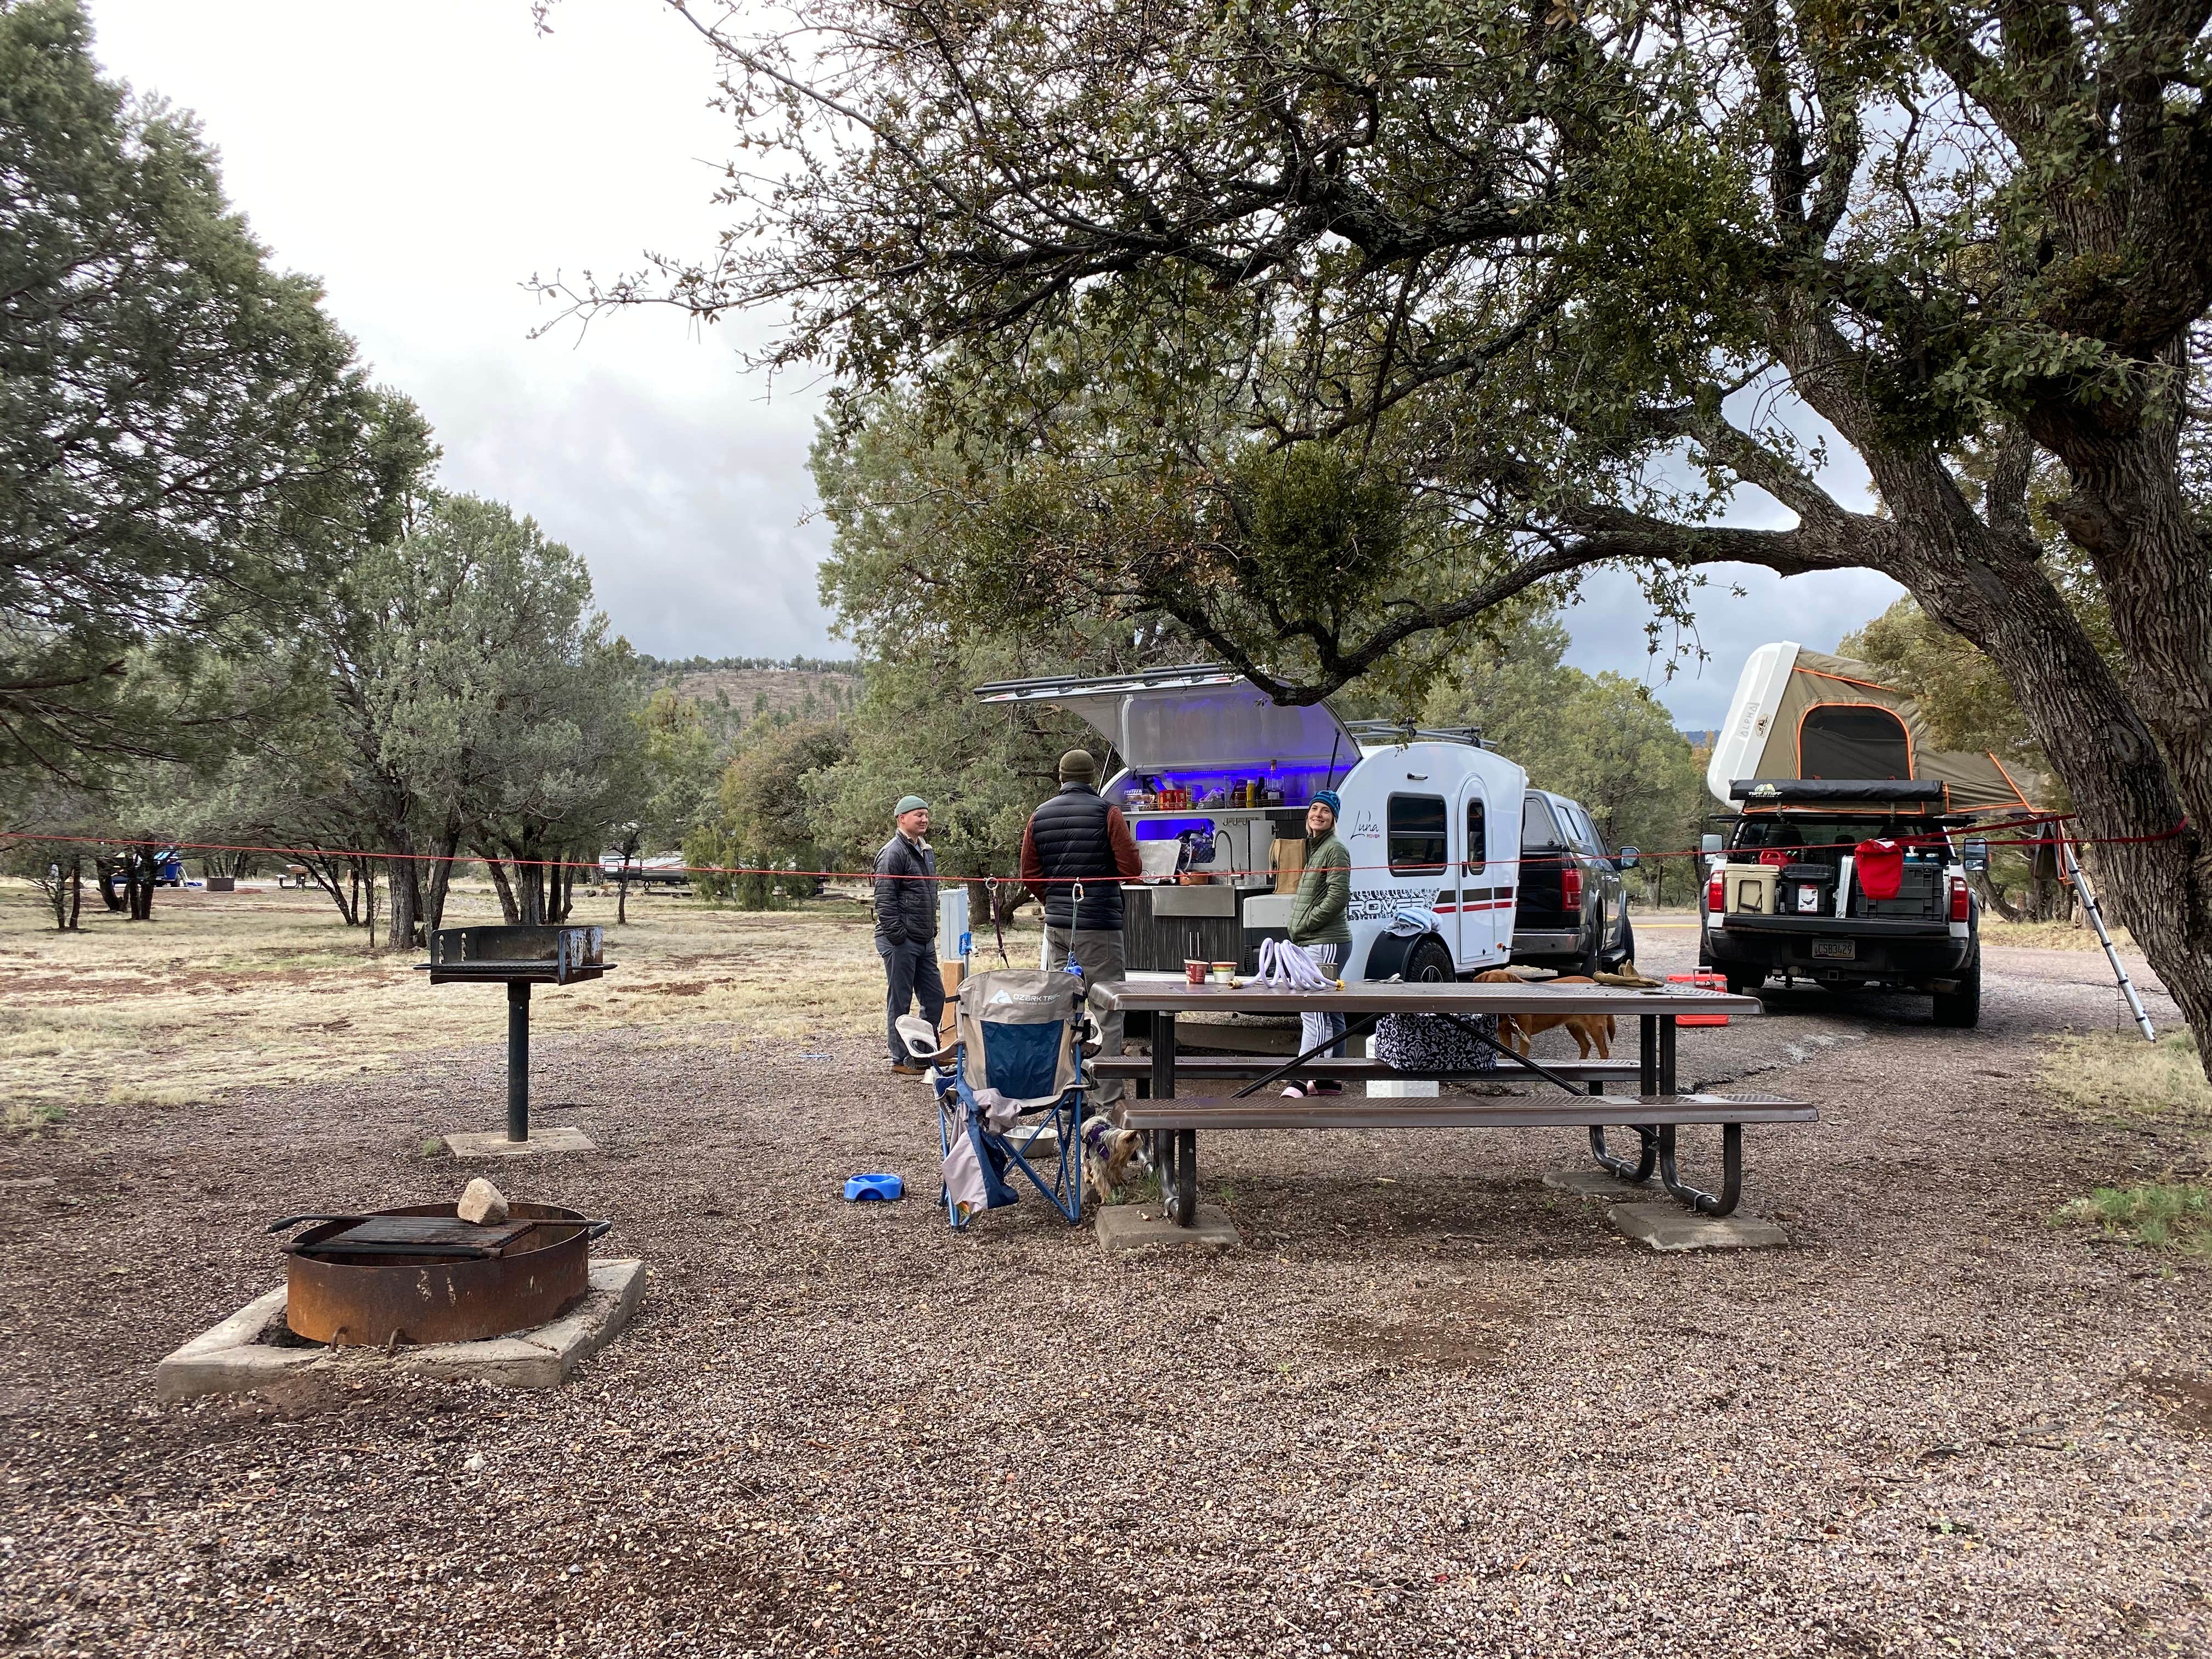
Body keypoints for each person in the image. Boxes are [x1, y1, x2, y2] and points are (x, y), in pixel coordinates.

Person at [1021, 749, 1144, 1101]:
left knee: (1061, 1009)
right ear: (1092, 778)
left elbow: (1028, 874)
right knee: (1108, 1010)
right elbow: (1131, 869)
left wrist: (1054, 901)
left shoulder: (1039, 815)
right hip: (1101, 926)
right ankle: (1108, 1099)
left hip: (1058, 927)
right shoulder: (1109, 812)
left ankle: (1062, 1094)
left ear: (1061, 777)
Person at [1283, 789, 1352, 1097]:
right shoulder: (1318, 848)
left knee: (1313, 1011)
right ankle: (1328, 1080)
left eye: (1325, 810)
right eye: (1314, 809)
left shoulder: (1335, 848)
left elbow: (1338, 897)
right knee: (1331, 1012)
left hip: (1325, 940)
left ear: (1334, 817)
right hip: (1319, 939)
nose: (1318, 814)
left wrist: (1306, 923)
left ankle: (1302, 1078)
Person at [874, 795, 943, 1075]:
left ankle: (924, 1053)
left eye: (926, 814)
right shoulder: (893, 853)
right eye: (918, 815)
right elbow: (884, 899)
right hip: (900, 940)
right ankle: (901, 1059)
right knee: (900, 1000)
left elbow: (929, 893)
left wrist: (931, 929)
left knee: (935, 996)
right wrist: (898, 936)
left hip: (924, 939)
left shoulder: (926, 851)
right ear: (902, 818)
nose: (924, 819)